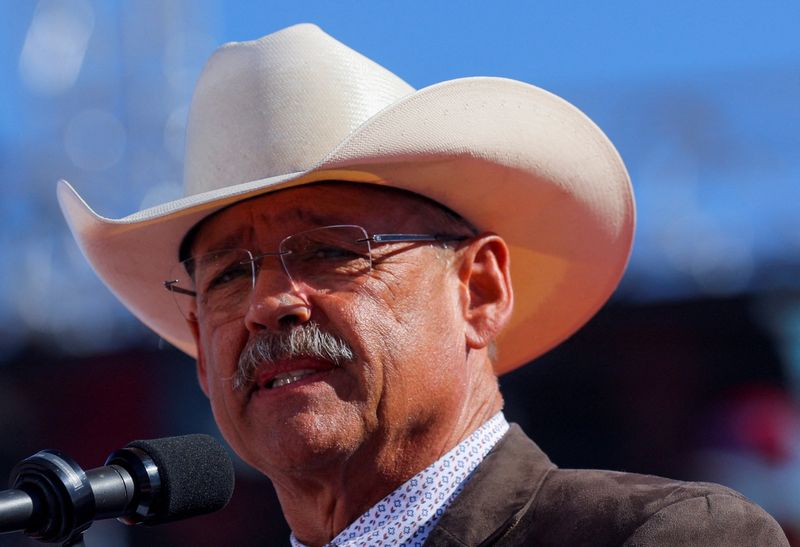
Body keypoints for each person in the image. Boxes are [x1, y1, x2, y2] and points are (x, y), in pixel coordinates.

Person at [58, 24, 789, 546]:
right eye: (225, 276)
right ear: (196, 346)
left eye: (327, 251)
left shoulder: (664, 536)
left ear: (478, 289)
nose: (268, 302)